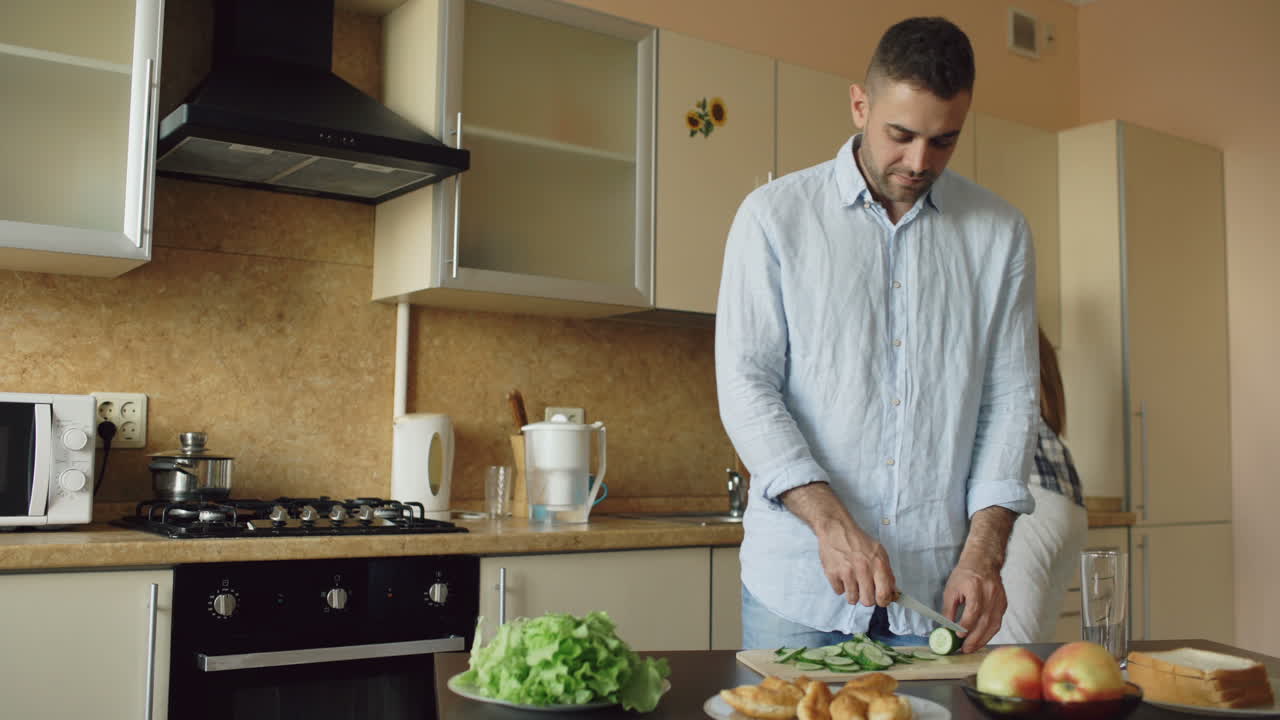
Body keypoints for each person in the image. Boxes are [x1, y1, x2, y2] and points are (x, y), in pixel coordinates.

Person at [715, 16, 1038, 653]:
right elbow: (747, 383)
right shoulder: (775, 218)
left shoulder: (1000, 233)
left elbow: (1011, 402)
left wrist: (984, 553)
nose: (920, 163)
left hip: (936, 597)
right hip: (800, 591)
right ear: (860, 104)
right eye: (901, 135)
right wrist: (831, 523)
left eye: (944, 141)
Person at [989, 328, 1090, 643]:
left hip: (1026, 502)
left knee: (1006, 649)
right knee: (1032, 646)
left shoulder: (997, 333)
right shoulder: (1029, 332)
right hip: (1064, 500)